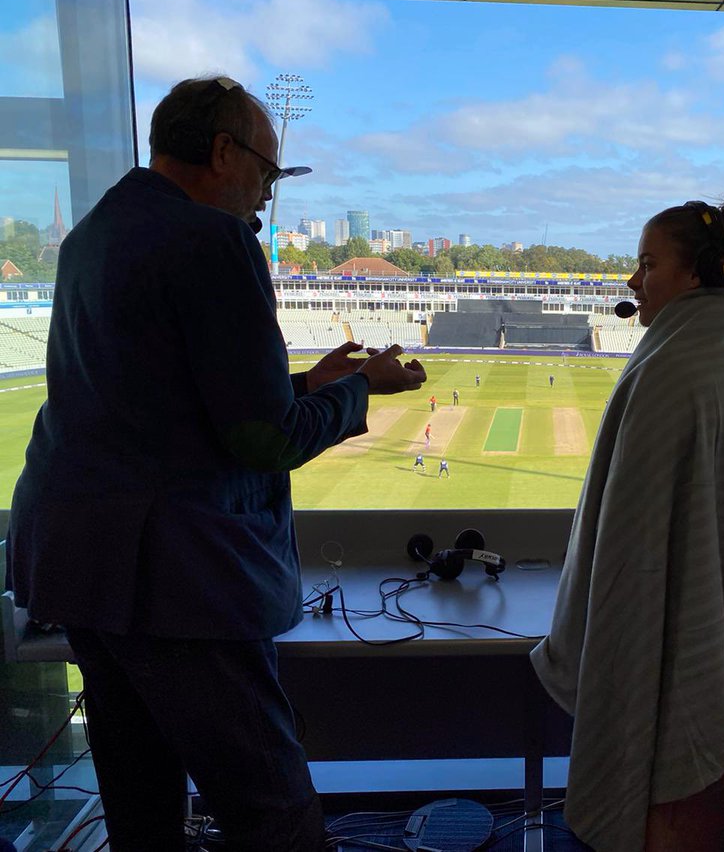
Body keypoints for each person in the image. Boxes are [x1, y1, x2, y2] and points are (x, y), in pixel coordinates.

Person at [4, 76, 427, 852]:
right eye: (266, 173)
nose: (266, 196)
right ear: (224, 153)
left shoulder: (93, 233)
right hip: (176, 577)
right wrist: (362, 387)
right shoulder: (211, 239)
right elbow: (263, 441)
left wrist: (305, 384)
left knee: (139, 798)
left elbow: (160, 403)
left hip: (79, 566)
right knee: (270, 805)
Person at [531, 191, 724, 852]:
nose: (634, 281)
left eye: (648, 264)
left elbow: (631, 553)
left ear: (694, 274)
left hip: (677, 676)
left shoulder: (669, 369)